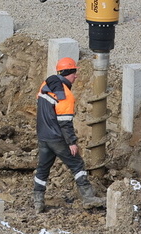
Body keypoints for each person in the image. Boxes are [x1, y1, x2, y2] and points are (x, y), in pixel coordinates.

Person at [33, 57, 105, 212]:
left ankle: (38, 202)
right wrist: (72, 142)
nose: (76, 76)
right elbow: (65, 123)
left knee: (42, 169)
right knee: (77, 165)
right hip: (57, 139)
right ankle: (88, 197)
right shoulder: (65, 96)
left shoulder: (45, 85)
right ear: (67, 73)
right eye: (74, 73)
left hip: (43, 136)